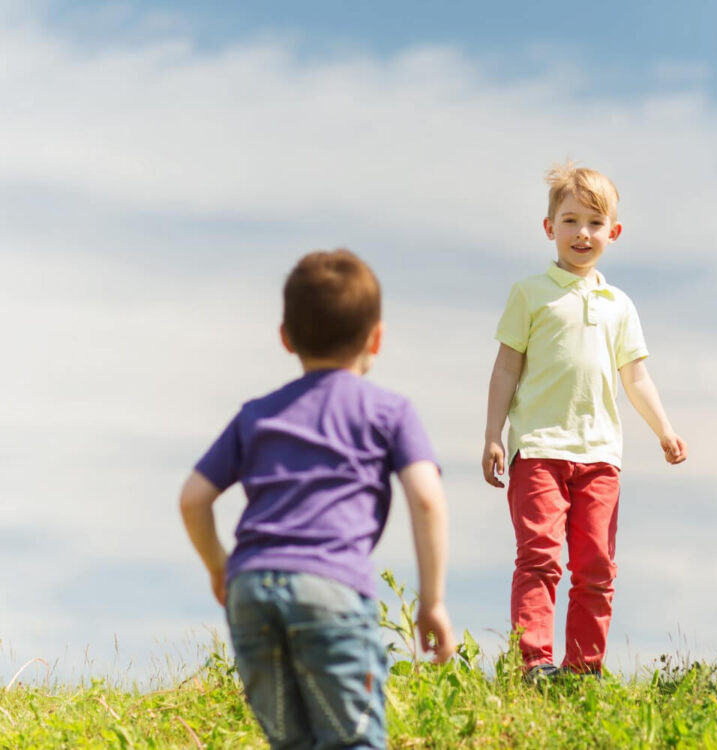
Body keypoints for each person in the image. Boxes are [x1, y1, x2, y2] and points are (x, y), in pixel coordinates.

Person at [180, 249, 454, 749]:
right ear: (377, 338)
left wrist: (220, 567)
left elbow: (193, 499)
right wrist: (431, 601)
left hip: (251, 590)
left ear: (285, 338)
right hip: (331, 588)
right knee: (352, 740)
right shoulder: (389, 411)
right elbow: (428, 499)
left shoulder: (256, 414)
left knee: (292, 742)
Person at [481, 162, 687, 678]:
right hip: (538, 449)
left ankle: (583, 670)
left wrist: (664, 429)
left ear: (613, 233)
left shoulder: (619, 305)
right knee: (539, 558)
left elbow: (636, 378)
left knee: (595, 566)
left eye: (595, 224)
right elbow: (506, 368)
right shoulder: (530, 293)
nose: (582, 233)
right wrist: (493, 436)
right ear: (549, 228)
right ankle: (534, 663)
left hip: (599, 457)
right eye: (570, 221)